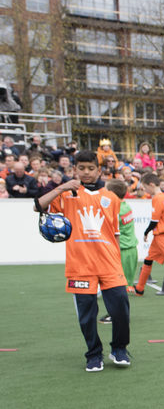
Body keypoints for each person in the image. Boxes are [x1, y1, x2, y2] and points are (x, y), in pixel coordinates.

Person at [34, 150, 131, 371]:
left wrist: (118, 262)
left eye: (90, 168)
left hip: (110, 264)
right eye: (81, 168)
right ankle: (94, 354)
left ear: (99, 170)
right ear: (74, 170)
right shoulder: (66, 195)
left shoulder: (112, 198)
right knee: (87, 316)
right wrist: (60, 188)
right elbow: (37, 206)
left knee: (120, 310)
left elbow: (114, 234)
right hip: (80, 266)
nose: (86, 173)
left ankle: (119, 349)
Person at [99, 179, 139, 323]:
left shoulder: (115, 209)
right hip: (131, 249)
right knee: (123, 286)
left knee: (115, 287)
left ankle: (116, 315)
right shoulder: (126, 206)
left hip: (121, 251)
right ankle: (120, 314)